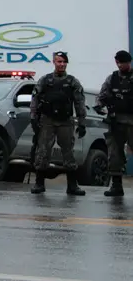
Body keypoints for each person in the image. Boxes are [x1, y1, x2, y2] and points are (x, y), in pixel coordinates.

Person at [30, 51, 87, 196]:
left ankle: (72, 186)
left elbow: (79, 102)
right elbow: (35, 98)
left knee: (68, 151)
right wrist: (33, 117)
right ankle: (39, 183)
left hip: (65, 121)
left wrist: (82, 122)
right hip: (47, 120)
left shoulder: (73, 81)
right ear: (54, 62)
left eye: (64, 62)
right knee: (42, 151)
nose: (61, 64)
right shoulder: (45, 80)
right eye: (59, 61)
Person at [97, 49, 133, 197]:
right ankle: (116, 185)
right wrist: (101, 108)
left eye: (123, 63)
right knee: (114, 153)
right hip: (116, 121)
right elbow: (102, 96)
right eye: (118, 63)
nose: (120, 66)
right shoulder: (112, 78)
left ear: (129, 62)